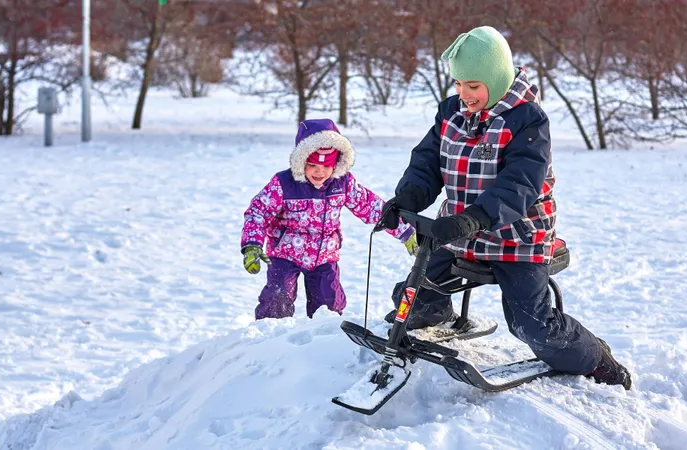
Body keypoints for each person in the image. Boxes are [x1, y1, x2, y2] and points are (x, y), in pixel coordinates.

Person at [380, 26, 631, 389]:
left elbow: (520, 184)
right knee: (412, 296)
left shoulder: (527, 120)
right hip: (461, 231)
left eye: (473, 86)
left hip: (518, 238)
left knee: (530, 324)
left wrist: (478, 218)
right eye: (459, 84)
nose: (463, 94)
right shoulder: (451, 113)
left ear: (496, 80)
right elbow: (427, 163)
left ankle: (593, 355)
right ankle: (436, 310)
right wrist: (406, 199)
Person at [242, 118, 417, 320]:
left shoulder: (342, 183)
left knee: (329, 305)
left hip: (324, 256)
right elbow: (258, 212)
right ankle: (267, 337)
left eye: (327, 166)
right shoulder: (284, 184)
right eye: (313, 165)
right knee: (277, 298)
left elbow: (372, 207)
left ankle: (323, 341)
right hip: (285, 253)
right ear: (301, 160)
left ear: (336, 164)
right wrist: (252, 245)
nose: (320, 172)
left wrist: (405, 231)